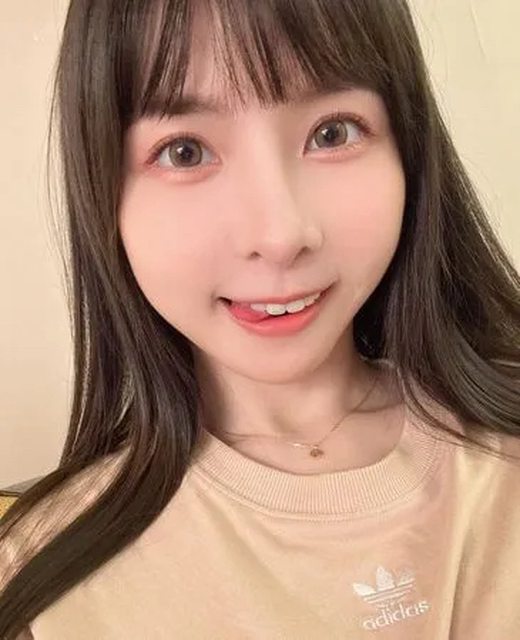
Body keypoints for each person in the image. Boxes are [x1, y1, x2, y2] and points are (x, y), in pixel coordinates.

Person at [0, 0, 519, 637]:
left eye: (332, 133)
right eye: (185, 152)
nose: (279, 236)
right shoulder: (41, 585)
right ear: (103, 196)